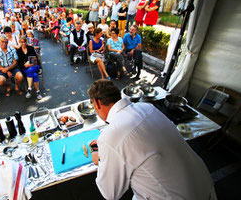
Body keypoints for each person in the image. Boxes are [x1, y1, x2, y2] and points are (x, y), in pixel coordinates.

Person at [88, 79, 217, 200]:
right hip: (205, 185)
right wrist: (109, 148)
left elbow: (110, 193)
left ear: (97, 103)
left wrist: (99, 159)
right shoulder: (147, 107)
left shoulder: (110, 136)